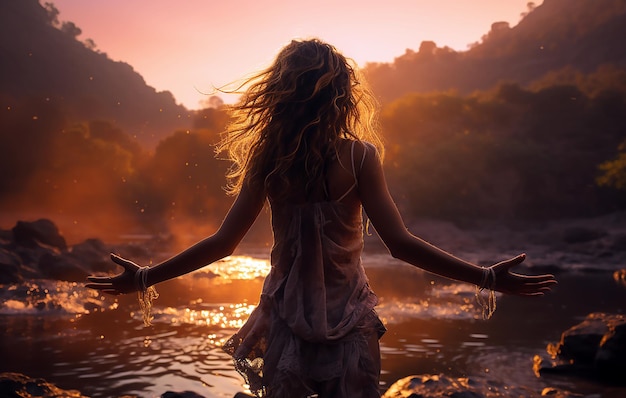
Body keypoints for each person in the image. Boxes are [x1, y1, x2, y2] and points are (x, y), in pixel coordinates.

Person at [86, 38, 557, 398]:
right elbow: (400, 244)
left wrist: (147, 277)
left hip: (285, 324)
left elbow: (222, 244)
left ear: (280, 95)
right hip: (349, 323)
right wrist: (485, 278)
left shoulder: (269, 160)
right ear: (343, 95)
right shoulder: (358, 157)